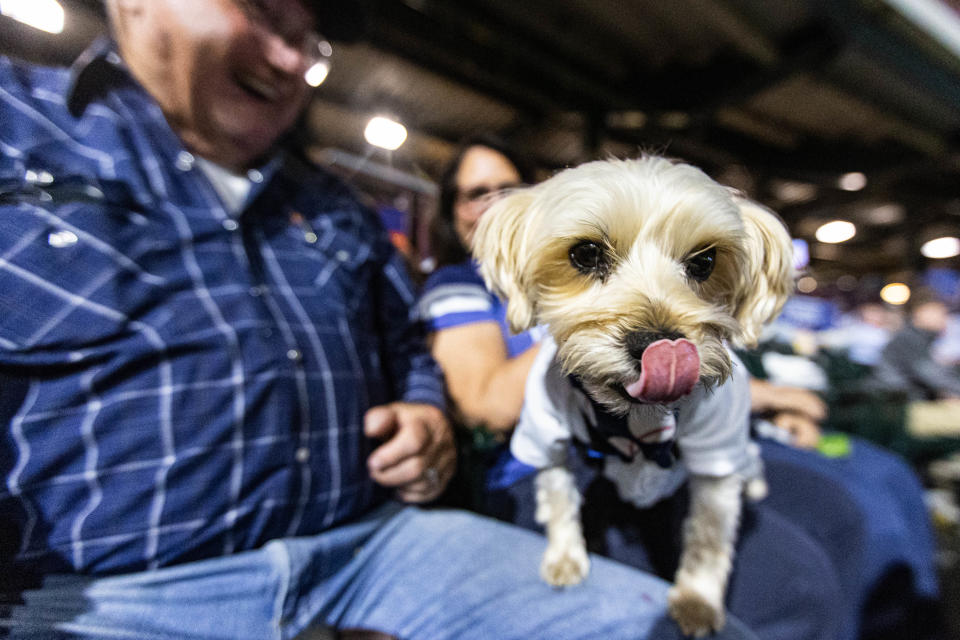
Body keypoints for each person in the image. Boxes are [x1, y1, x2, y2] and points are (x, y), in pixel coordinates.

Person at [0, 3, 763, 640]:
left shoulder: (333, 204)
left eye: (310, 40)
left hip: (371, 547)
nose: (293, 59)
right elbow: (489, 387)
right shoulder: (16, 128)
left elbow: (408, 348)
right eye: (264, 11)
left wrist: (425, 413)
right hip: (105, 590)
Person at [421, 138, 942, 640]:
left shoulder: (561, 233)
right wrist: (578, 325)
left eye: (699, 265)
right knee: (798, 589)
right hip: (564, 461)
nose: (492, 203)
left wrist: (762, 397)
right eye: (476, 193)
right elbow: (483, 406)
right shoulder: (459, 285)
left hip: (676, 431)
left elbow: (709, 377)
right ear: (451, 208)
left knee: (854, 504)